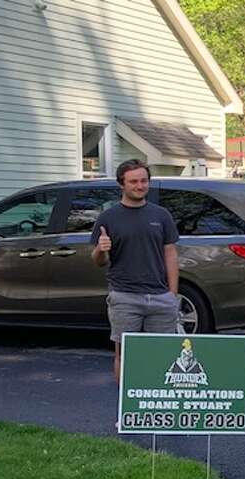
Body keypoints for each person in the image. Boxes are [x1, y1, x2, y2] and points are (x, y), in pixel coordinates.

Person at [91, 159, 180, 385]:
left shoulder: (161, 215)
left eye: (143, 181)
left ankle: (156, 409)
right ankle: (127, 413)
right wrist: (101, 250)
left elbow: (170, 254)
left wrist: (172, 294)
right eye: (133, 182)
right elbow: (98, 261)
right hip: (124, 296)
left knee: (163, 357)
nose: (139, 186)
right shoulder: (108, 218)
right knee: (125, 355)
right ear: (122, 184)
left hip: (161, 297)